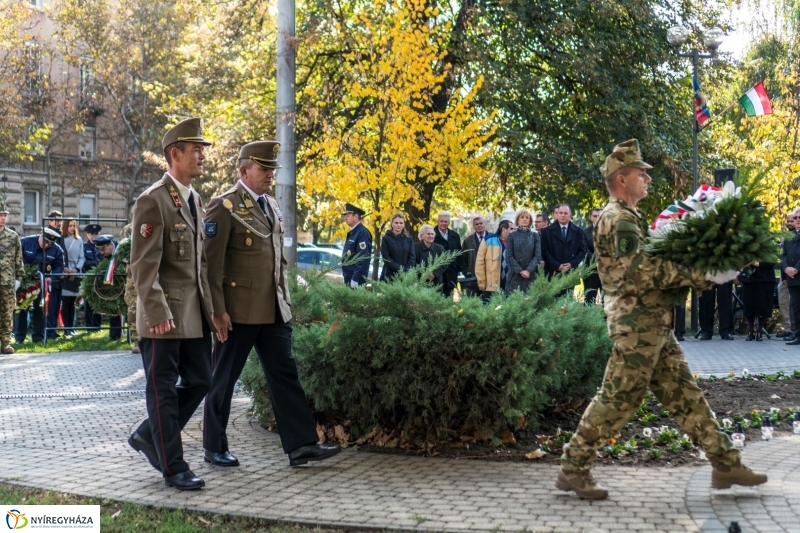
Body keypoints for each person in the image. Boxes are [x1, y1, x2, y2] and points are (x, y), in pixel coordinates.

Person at [556, 139, 767, 500]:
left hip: (651, 324)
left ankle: (725, 463)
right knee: (617, 399)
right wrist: (704, 273)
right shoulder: (618, 219)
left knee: (686, 395)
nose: (647, 179)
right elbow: (640, 271)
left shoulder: (629, 217)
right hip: (636, 327)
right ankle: (573, 467)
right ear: (621, 179)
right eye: (642, 174)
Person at [203, 140, 341, 469]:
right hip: (237, 312)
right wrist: (216, 311)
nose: (270, 175)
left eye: (272, 170)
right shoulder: (224, 207)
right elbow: (209, 265)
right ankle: (214, 446)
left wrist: (285, 301)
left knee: (285, 375)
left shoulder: (271, 205)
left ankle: (301, 445)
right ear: (243, 170)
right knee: (223, 378)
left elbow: (277, 262)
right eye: (264, 169)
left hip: (273, 309)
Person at [127, 117, 216, 491]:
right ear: (174, 154)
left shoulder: (195, 199)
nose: (201, 156)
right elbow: (143, 264)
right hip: (163, 315)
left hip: (193, 314)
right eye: (195, 150)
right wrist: (157, 311)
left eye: (202, 149)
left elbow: (199, 265)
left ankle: (150, 435)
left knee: (202, 380)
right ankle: (174, 466)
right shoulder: (153, 200)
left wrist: (214, 312)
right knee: (162, 389)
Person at [15, 228, 63, 344]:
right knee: (22, 308)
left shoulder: (56, 250)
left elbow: (59, 267)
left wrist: (51, 278)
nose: (47, 245)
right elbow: (15, 258)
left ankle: (38, 337)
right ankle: (19, 338)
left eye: (50, 243)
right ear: (40, 235)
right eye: (46, 242)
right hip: (25, 281)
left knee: (40, 309)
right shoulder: (25, 242)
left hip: (43, 283)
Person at [540, 204, 588, 297]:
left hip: (570, 271)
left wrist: (572, 264)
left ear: (570, 215)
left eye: (565, 213)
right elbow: (544, 250)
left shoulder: (578, 231)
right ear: (556, 215)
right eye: (560, 213)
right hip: (552, 272)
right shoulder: (547, 231)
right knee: (552, 302)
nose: (562, 215)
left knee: (567, 303)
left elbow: (582, 250)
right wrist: (556, 265)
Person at [0, 200, 23, 354]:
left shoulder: (12, 236)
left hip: (7, 281)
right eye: (0, 215)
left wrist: (19, 277)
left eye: (4, 215)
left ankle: (5, 343)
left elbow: (18, 257)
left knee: (7, 312)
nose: (2, 218)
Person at [475, 220, 514, 302]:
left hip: (510, 285)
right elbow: (479, 263)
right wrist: (481, 282)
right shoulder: (488, 240)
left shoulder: (514, 242)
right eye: (511, 229)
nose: (513, 231)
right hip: (492, 285)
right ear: (504, 229)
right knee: (491, 311)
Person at [93, 234, 123, 341]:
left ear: (110, 245)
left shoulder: (121, 251)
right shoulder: (100, 255)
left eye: (103, 249)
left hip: (122, 283)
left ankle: (129, 334)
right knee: (112, 307)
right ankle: (114, 335)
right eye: (100, 250)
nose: (101, 252)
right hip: (109, 285)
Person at [737, 262, 776, 341]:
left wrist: (758, 264)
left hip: (765, 279)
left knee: (763, 305)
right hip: (749, 278)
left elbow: (772, 261)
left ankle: (759, 331)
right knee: (749, 305)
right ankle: (750, 331)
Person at [504, 209, 541, 295]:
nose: (524, 219)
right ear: (517, 220)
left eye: (527, 217)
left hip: (530, 275)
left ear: (530, 220)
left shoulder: (535, 236)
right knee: (514, 304)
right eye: (522, 217)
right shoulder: (512, 236)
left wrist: (528, 270)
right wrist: (520, 271)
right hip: (514, 275)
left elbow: (537, 255)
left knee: (530, 302)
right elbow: (509, 256)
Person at [60, 219, 85, 337]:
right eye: (70, 225)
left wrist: (76, 270)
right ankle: (66, 328)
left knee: (72, 302)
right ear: (65, 226)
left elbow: (82, 257)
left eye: (73, 225)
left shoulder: (79, 240)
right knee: (66, 302)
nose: (72, 228)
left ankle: (72, 327)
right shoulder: (61, 239)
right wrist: (67, 270)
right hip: (65, 272)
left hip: (76, 272)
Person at [119, 223, 140, 353]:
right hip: (134, 274)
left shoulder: (160, 223)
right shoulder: (129, 229)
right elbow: (122, 252)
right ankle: (138, 340)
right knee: (134, 305)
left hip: (156, 271)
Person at [342, 203, 372, 287]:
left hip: (356, 278)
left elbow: (362, 258)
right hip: (349, 276)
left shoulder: (362, 233)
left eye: (348, 215)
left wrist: (355, 278)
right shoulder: (354, 232)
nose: (345, 218)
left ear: (355, 216)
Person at [44, 210, 64, 339]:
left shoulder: (60, 234)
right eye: (56, 220)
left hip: (58, 274)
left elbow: (62, 253)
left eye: (60, 220)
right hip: (49, 276)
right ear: (50, 221)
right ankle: (49, 331)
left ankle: (53, 330)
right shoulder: (48, 234)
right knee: (49, 305)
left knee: (56, 304)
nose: (59, 223)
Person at [777, 212, 797, 339]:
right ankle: (788, 329)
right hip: (786, 275)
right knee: (783, 301)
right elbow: (783, 256)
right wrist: (785, 275)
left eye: (792, 221)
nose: (789, 223)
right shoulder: (785, 237)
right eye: (788, 221)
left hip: (796, 274)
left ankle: (796, 330)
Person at [433, 212, 462, 296]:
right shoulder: (431, 235)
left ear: (449, 223)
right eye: (441, 221)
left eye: (445, 221)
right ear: (437, 221)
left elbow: (459, 253)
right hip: (436, 274)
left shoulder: (455, 236)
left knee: (449, 299)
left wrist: (459, 269)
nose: (443, 223)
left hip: (451, 273)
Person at [781, 218, 800, 346]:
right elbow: (783, 255)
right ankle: (797, 334)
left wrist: (796, 269)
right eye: (795, 218)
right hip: (792, 278)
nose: (797, 220)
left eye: (799, 218)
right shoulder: (790, 236)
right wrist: (786, 268)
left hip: (797, 274)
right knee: (796, 307)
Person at [379, 214, 415, 281]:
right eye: (396, 223)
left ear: (404, 225)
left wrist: (405, 270)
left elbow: (412, 257)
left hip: (405, 276)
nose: (399, 225)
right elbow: (386, 258)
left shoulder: (409, 238)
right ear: (392, 224)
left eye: (401, 223)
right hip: (389, 275)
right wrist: (400, 269)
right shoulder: (386, 238)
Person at [460, 216, 488, 296]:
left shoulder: (493, 238)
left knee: (489, 301)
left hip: (489, 275)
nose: (479, 225)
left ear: (484, 224)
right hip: (472, 277)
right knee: (474, 300)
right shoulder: (467, 241)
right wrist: (466, 272)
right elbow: (462, 258)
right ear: (473, 227)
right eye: (476, 224)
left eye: (481, 223)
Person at [82, 223, 102, 330]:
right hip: (88, 278)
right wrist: (95, 264)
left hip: (100, 278)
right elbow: (84, 263)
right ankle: (89, 326)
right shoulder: (84, 247)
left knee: (98, 301)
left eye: (96, 233)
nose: (94, 235)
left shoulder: (102, 246)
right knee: (89, 302)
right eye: (91, 233)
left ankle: (97, 325)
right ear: (87, 235)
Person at [582, 208, 603, 304]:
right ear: (591, 217)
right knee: (589, 301)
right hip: (591, 272)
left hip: (608, 273)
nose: (598, 218)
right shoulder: (584, 232)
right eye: (595, 216)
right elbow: (584, 251)